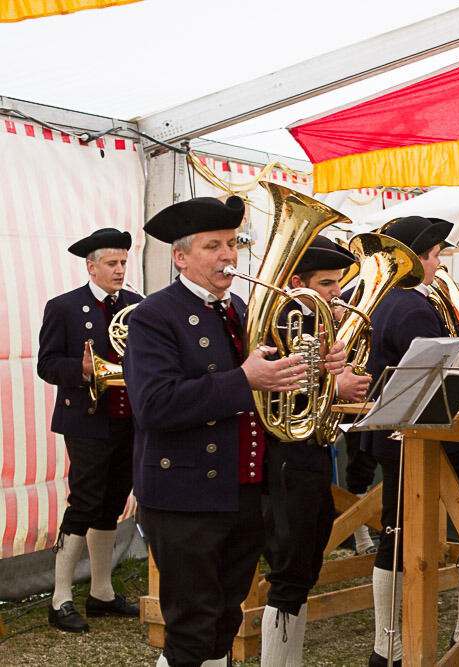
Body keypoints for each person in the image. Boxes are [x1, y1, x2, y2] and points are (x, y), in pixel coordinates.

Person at [125, 195, 346, 667]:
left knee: (224, 622)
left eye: (233, 243)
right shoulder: (154, 315)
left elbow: (273, 387)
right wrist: (243, 381)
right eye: (213, 246)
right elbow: (153, 405)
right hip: (185, 495)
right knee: (192, 628)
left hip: (243, 492)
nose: (229, 254)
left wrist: (320, 371)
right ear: (180, 257)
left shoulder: (243, 307)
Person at [361, 216, 459, 665]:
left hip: (398, 436)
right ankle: (457, 630)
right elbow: (440, 385)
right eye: (436, 254)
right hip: (417, 438)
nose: (439, 264)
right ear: (416, 257)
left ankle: (390, 646)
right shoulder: (411, 307)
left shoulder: (385, 300)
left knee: (395, 532)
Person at [259, 236, 371, 666]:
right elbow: (275, 388)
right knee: (290, 571)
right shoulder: (282, 319)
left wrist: (336, 367)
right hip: (286, 457)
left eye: (338, 282)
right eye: (326, 283)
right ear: (294, 281)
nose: (336, 292)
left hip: (310, 453)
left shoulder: (315, 320)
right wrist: (334, 384)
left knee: (303, 567)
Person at [37, 227, 143, 632]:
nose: (119, 270)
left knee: (113, 502)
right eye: (112, 263)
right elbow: (46, 365)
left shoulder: (136, 305)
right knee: (84, 501)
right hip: (85, 419)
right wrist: (80, 370)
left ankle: (101, 593)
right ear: (91, 266)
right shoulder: (64, 307)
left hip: (128, 419)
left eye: (123, 262)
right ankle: (59, 596)